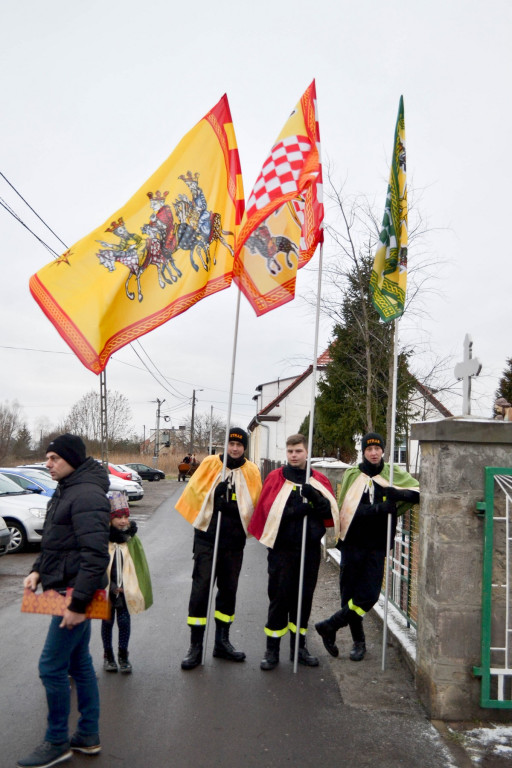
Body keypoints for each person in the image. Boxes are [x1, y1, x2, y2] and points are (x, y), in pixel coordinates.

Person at [18, 434, 110, 768]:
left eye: (54, 457)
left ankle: (57, 741)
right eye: (47, 457)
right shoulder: (68, 488)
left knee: (50, 666)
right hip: (62, 588)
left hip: (74, 594)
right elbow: (58, 541)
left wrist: (76, 606)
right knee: (79, 664)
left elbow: (95, 556)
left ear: (71, 458)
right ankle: (87, 735)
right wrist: (37, 569)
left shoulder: (85, 493)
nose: (48, 463)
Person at [315, 432, 419, 662]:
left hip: (377, 543)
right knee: (349, 593)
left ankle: (329, 626)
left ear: (383, 450)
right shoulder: (353, 475)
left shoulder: (393, 474)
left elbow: (417, 494)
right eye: (369, 449)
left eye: (377, 448)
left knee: (369, 594)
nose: (374, 453)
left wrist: (397, 493)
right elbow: (347, 510)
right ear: (363, 451)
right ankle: (358, 642)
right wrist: (380, 509)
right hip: (353, 542)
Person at [248, 434, 339, 671]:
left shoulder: (318, 480)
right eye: (290, 451)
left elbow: (329, 512)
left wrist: (316, 501)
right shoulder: (275, 478)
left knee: (303, 599)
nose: (294, 455)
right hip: (282, 550)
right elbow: (268, 511)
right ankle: (272, 649)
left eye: (298, 451)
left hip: (309, 550)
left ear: (306, 452)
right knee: (279, 598)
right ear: (286, 453)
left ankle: (299, 647)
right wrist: (298, 508)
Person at [175, 427, 262, 670]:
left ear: (245, 447)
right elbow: (194, 493)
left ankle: (222, 642)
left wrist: (232, 504)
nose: (235, 448)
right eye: (231, 444)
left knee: (228, 591)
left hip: (233, 543)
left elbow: (253, 504)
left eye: (239, 444)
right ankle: (195, 646)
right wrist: (215, 495)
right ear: (226, 446)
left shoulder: (252, 471)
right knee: (200, 590)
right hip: (207, 538)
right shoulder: (212, 464)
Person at [102, 491, 153, 674]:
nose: (123, 521)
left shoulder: (132, 539)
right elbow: (99, 565)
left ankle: (123, 655)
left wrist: (128, 587)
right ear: (109, 519)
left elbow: (139, 567)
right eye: (118, 517)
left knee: (124, 622)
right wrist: (109, 586)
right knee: (106, 623)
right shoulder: (103, 539)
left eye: (125, 517)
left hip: (124, 591)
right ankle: (108, 655)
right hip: (107, 590)